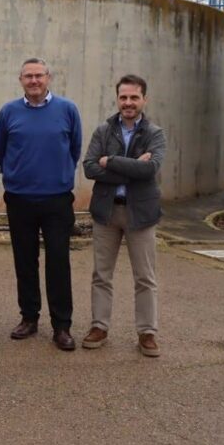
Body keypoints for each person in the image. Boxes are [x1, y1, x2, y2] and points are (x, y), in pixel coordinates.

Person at [0, 57, 82, 351]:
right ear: (21, 80)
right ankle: (29, 318)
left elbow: (75, 149)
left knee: (59, 262)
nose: (34, 81)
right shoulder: (8, 113)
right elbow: (0, 150)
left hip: (57, 199)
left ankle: (62, 326)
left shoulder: (67, 110)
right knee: (25, 261)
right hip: (20, 199)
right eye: (28, 76)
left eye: (39, 76)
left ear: (49, 78)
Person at [82, 74, 165, 357]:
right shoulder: (103, 131)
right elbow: (90, 167)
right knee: (101, 274)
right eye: (123, 97)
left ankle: (147, 333)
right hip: (106, 211)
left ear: (144, 99)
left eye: (134, 97)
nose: (128, 103)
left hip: (140, 214)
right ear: (117, 99)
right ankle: (99, 326)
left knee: (145, 277)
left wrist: (113, 162)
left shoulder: (154, 133)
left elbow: (150, 170)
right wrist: (132, 166)